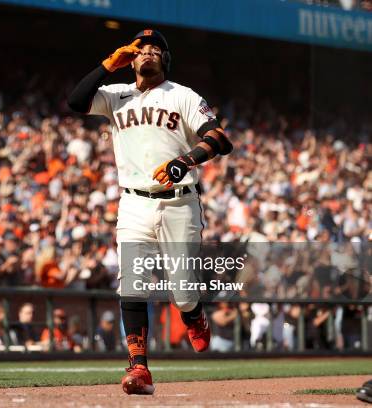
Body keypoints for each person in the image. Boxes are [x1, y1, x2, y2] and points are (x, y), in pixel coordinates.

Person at [68, 29, 233, 395]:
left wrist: (185, 160)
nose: (148, 52)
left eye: (156, 48)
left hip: (179, 201)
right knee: (132, 282)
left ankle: (193, 314)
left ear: (166, 60)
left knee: (183, 291)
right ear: (131, 57)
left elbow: (220, 138)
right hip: (134, 202)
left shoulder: (183, 95)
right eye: (141, 48)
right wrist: (108, 65)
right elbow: (76, 102)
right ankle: (139, 368)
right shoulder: (115, 95)